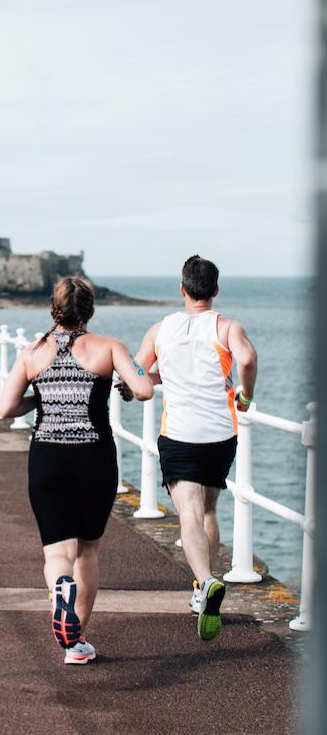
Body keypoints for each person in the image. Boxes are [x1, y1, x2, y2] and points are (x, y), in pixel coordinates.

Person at [0, 277, 153, 665]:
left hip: (47, 457)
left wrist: (42, 400)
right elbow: (145, 388)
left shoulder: (32, 353)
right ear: (90, 309)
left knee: (56, 551)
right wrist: (130, 387)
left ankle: (60, 589)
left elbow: (6, 408)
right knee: (88, 548)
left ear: (54, 307)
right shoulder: (108, 348)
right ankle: (76, 642)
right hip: (93, 458)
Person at [132, 255, 257, 641]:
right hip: (220, 434)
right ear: (215, 290)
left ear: (183, 289)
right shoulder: (227, 326)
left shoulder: (161, 328)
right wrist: (245, 394)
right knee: (208, 508)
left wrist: (154, 377)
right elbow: (248, 358)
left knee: (187, 509)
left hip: (180, 434)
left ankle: (204, 582)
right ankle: (203, 587)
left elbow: (139, 372)